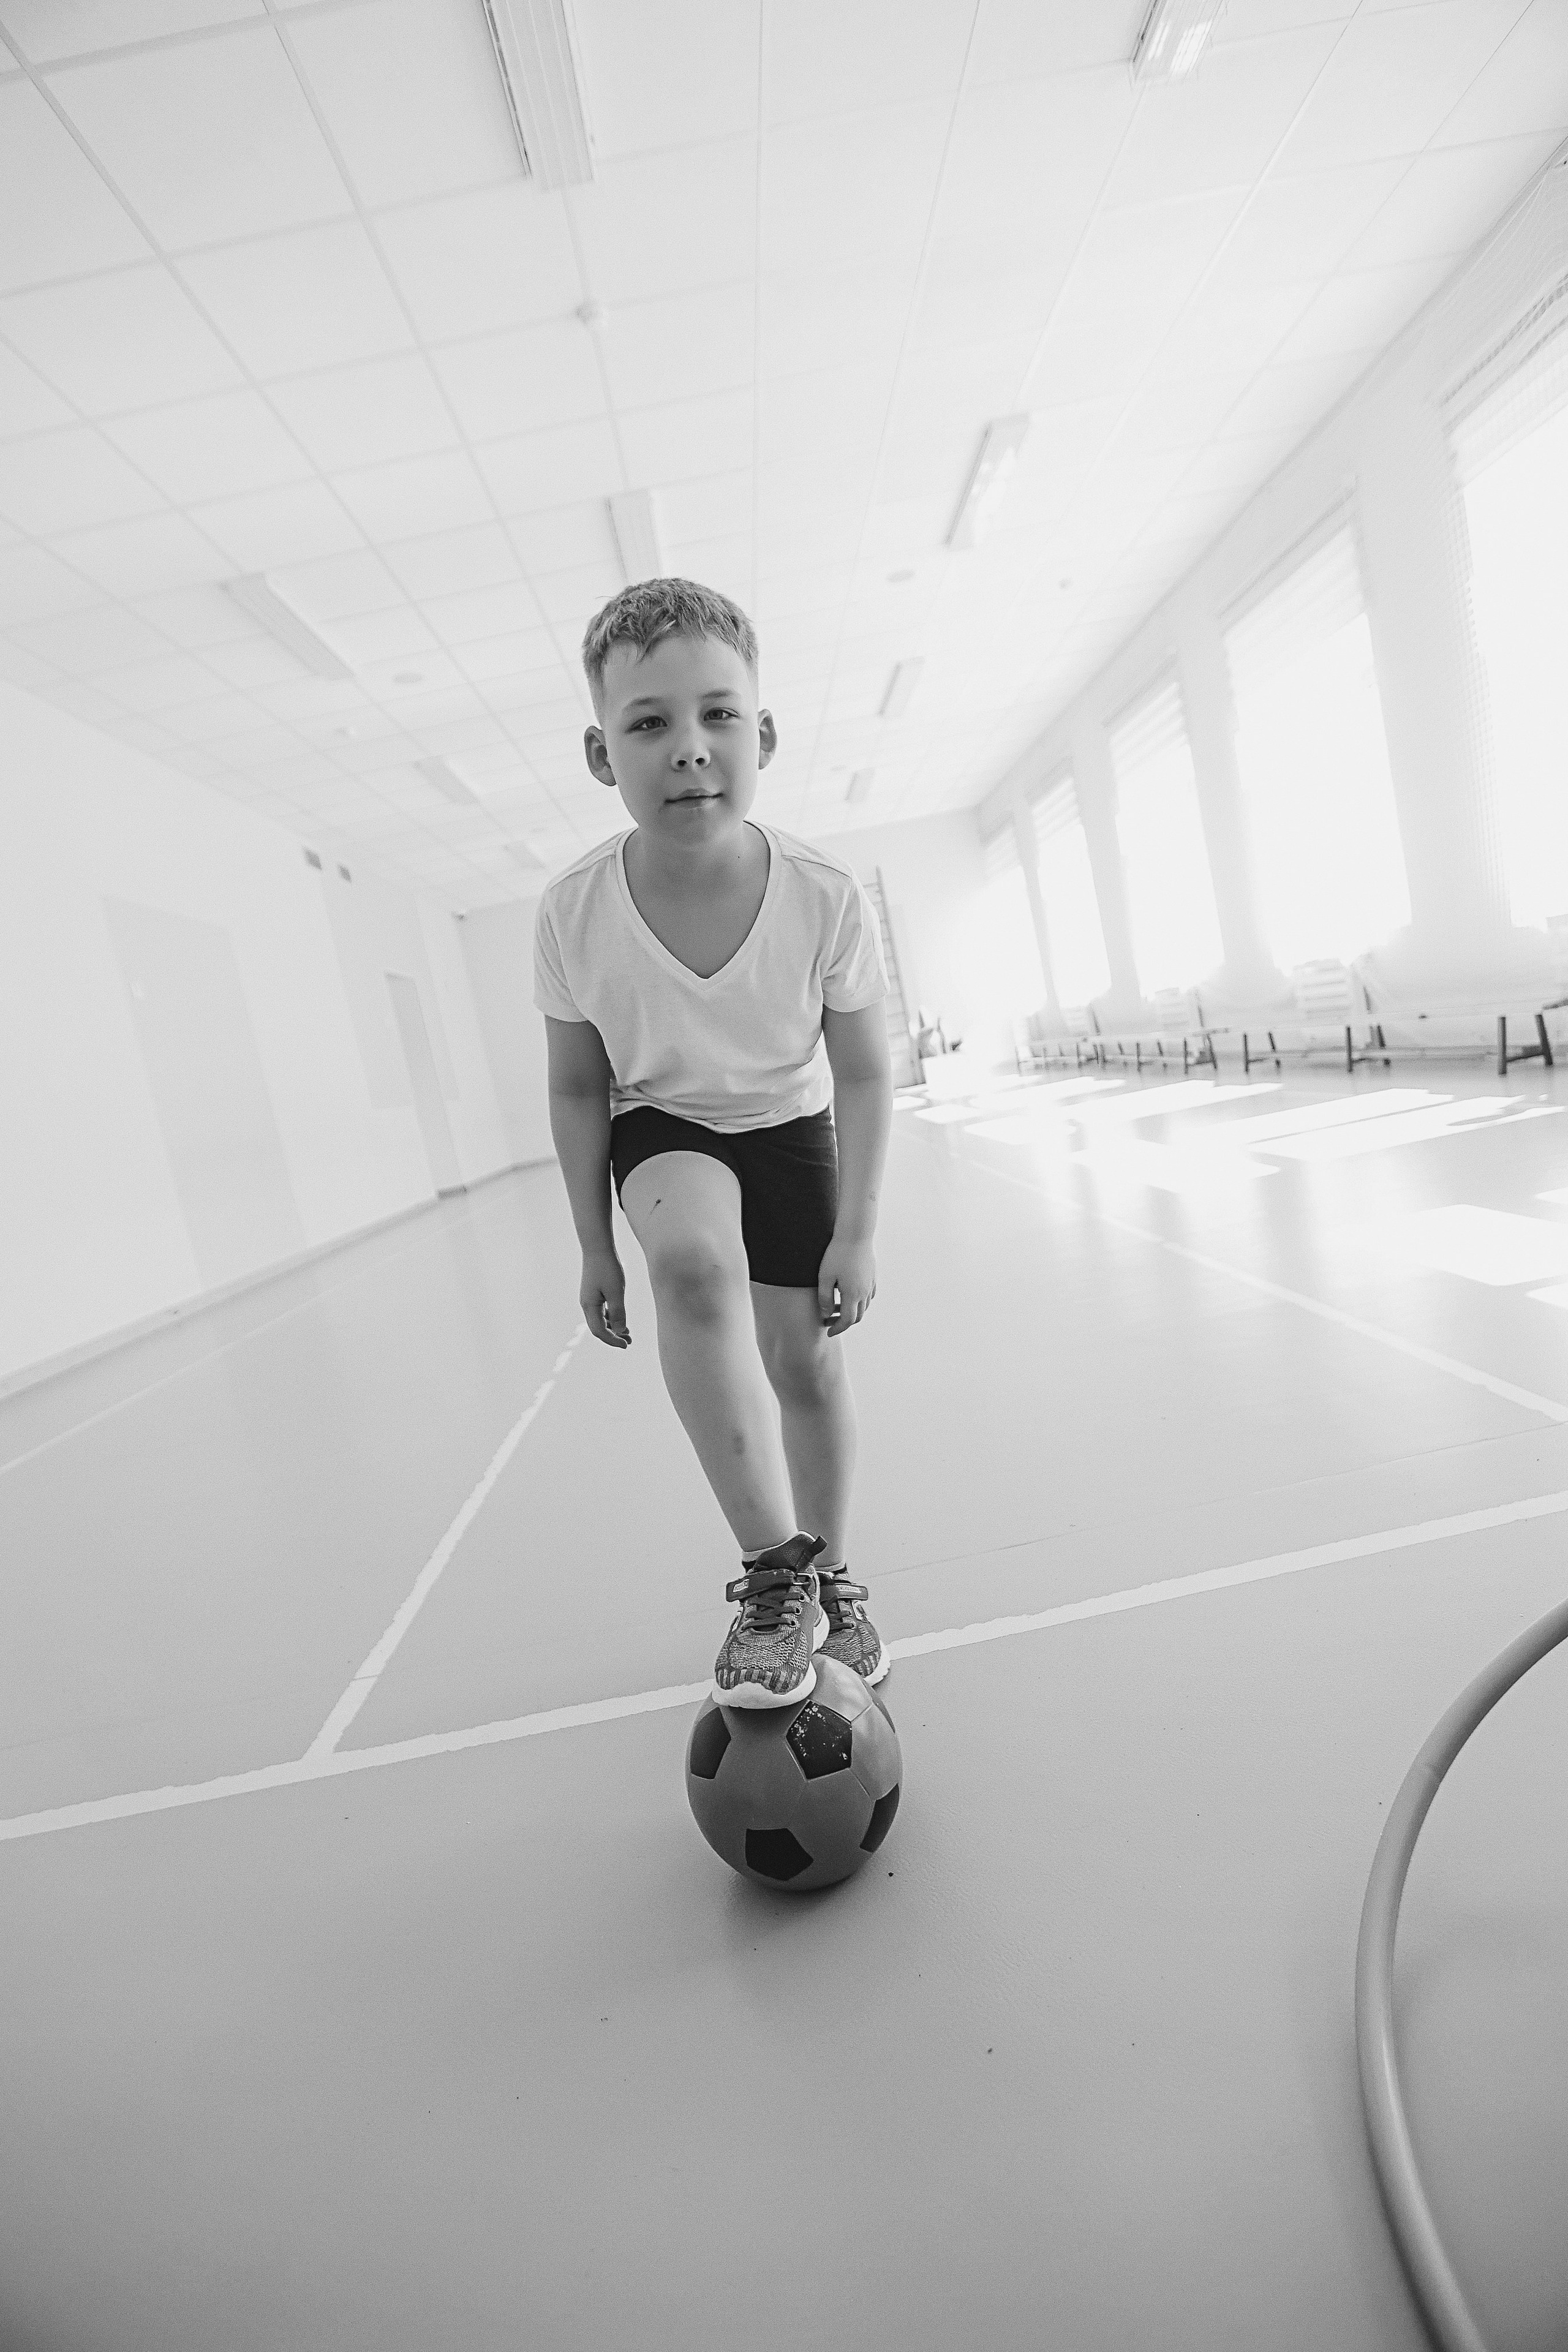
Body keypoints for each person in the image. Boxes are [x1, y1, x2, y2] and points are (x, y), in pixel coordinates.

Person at [533, 577, 895, 1709]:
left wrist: (857, 1231)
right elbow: (578, 1087)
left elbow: (865, 1070)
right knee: (691, 1267)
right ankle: (775, 1580)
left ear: (763, 735)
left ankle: (831, 1578)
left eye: (718, 715)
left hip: (788, 1124)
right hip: (663, 1120)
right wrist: (595, 1246)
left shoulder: (824, 896)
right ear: (602, 755)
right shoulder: (572, 913)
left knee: (804, 1362)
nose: (689, 747)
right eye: (649, 723)